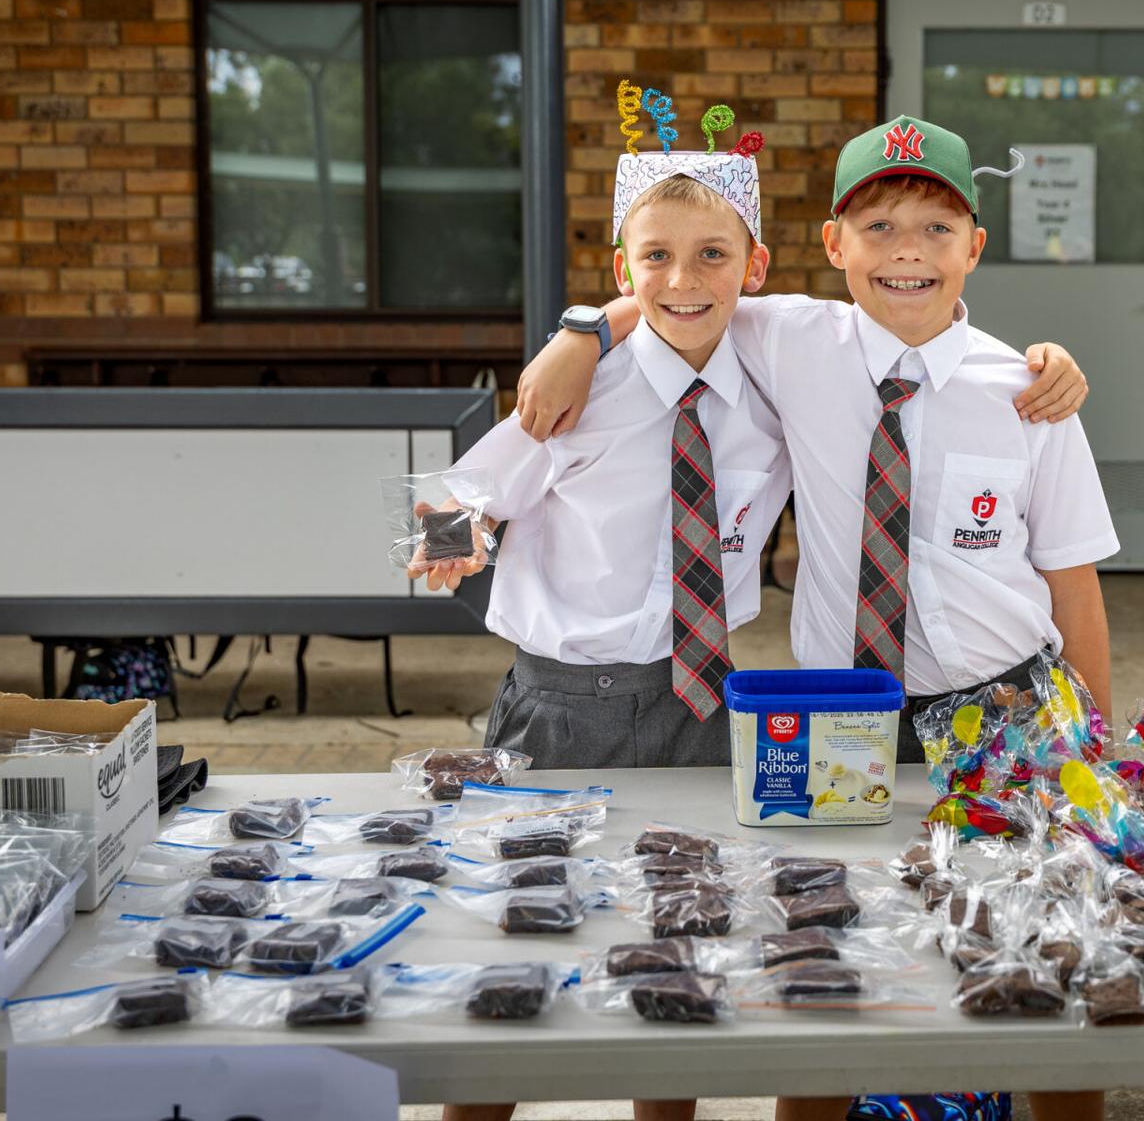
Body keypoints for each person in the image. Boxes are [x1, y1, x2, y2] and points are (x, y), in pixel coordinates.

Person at [425, 130, 1088, 1121]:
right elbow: (456, 495)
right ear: (623, 269)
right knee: (518, 951)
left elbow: (750, 304)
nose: (684, 278)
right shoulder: (582, 387)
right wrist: (570, 352)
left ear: (757, 267)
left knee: (680, 946)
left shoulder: (774, 382)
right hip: (558, 706)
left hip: (701, 704)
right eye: (656, 257)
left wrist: (1050, 357)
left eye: (712, 255)